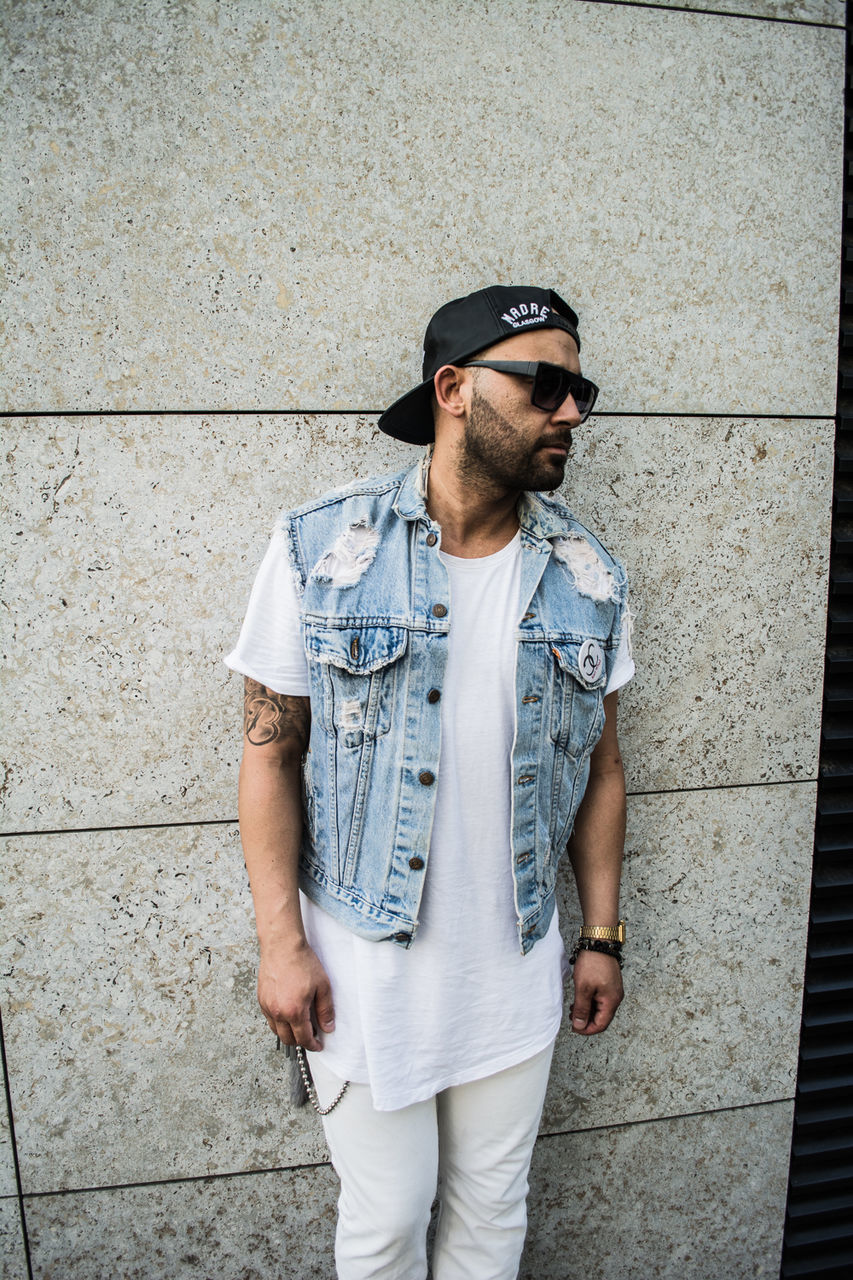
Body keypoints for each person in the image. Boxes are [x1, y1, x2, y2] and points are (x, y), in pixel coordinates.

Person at [226, 284, 633, 1280]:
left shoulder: (587, 574)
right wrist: (281, 946)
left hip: (516, 962)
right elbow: (269, 751)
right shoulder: (323, 549)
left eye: (579, 388)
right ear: (451, 388)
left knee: (495, 1216)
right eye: (544, 384)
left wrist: (600, 933)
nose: (570, 411)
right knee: (386, 1220)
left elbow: (602, 768)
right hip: (368, 968)